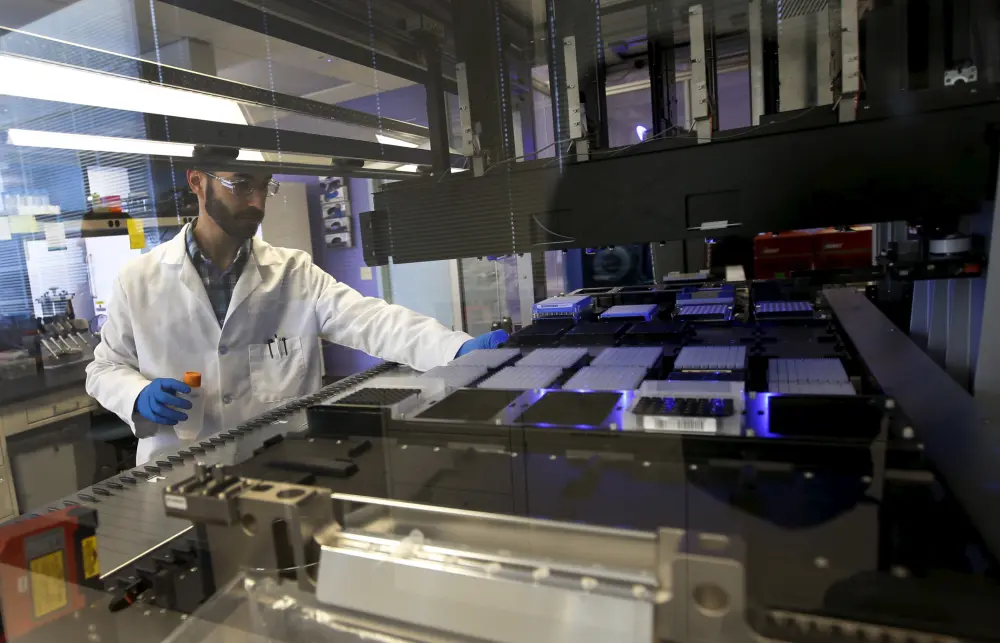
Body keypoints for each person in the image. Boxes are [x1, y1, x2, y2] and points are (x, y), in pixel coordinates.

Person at [86, 149, 507, 465]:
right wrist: (137, 395)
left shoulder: (293, 272)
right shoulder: (138, 280)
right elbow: (104, 369)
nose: (257, 202)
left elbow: (374, 321)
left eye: (264, 185)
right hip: (178, 477)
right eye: (241, 184)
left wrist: (455, 350)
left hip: (282, 474)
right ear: (197, 182)